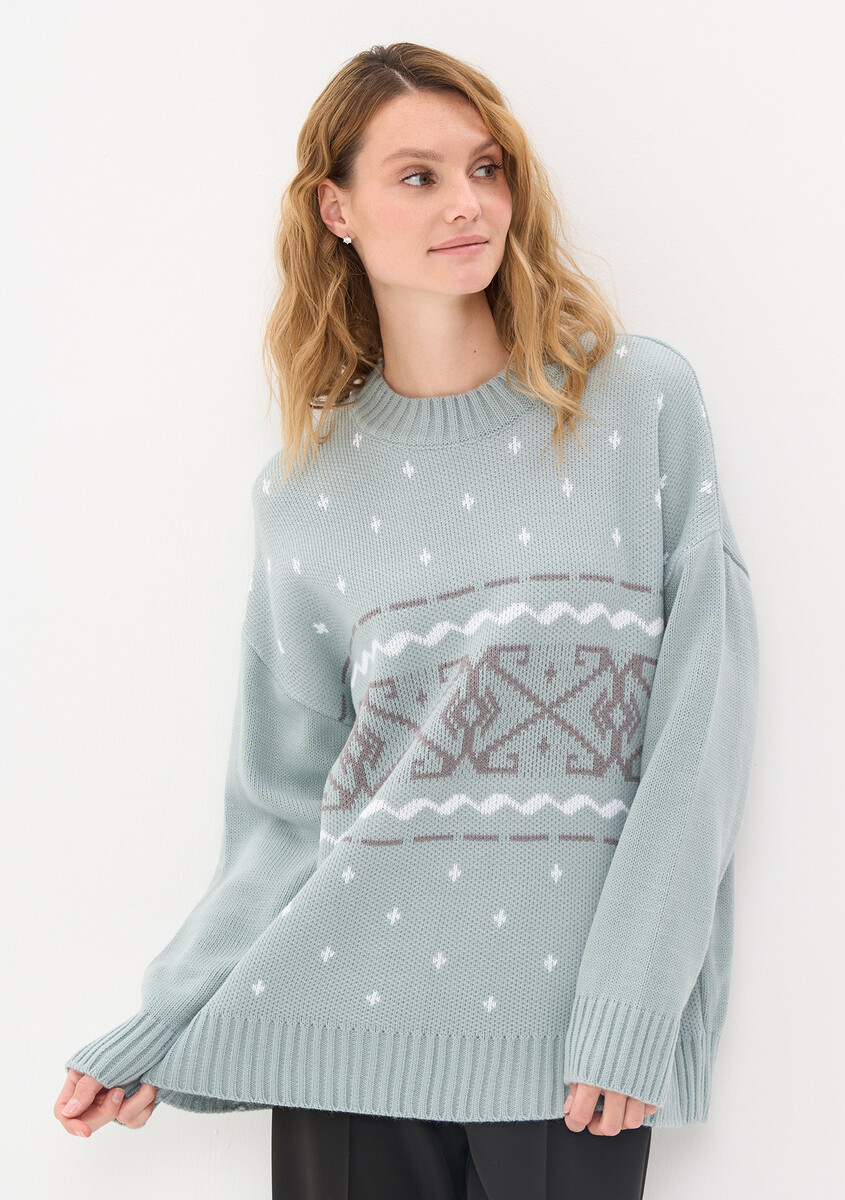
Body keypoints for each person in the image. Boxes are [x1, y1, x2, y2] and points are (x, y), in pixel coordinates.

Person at [54, 42, 759, 1200]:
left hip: (566, 1044)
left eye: (486, 168)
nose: (468, 203)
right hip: (337, 1029)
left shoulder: (636, 405)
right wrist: (166, 1014)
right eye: (418, 177)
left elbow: (702, 728)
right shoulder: (306, 491)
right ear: (336, 210)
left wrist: (636, 1004)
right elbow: (286, 805)